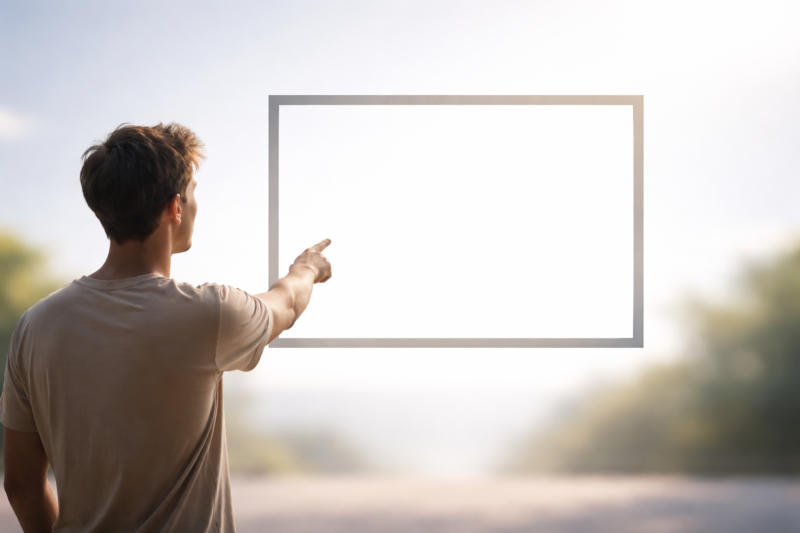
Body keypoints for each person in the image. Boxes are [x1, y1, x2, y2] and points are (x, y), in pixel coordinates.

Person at [0, 123, 332, 532]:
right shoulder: (210, 314)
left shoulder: (35, 326)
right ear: (175, 207)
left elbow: (21, 484)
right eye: (192, 193)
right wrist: (307, 269)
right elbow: (286, 302)